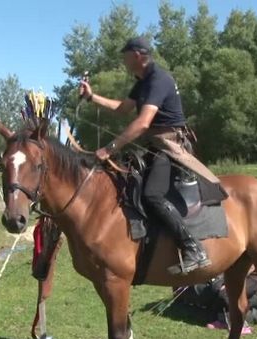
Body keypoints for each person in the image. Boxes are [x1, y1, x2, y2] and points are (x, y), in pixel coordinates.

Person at [79, 36, 213, 275]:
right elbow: (123, 109)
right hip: (155, 146)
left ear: (138, 55)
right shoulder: (142, 82)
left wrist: (109, 149)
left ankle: (194, 248)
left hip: (171, 147)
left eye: (126, 55)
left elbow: (142, 124)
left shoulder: (158, 79)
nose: (123, 59)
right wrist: (91, 97)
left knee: (152, 195)